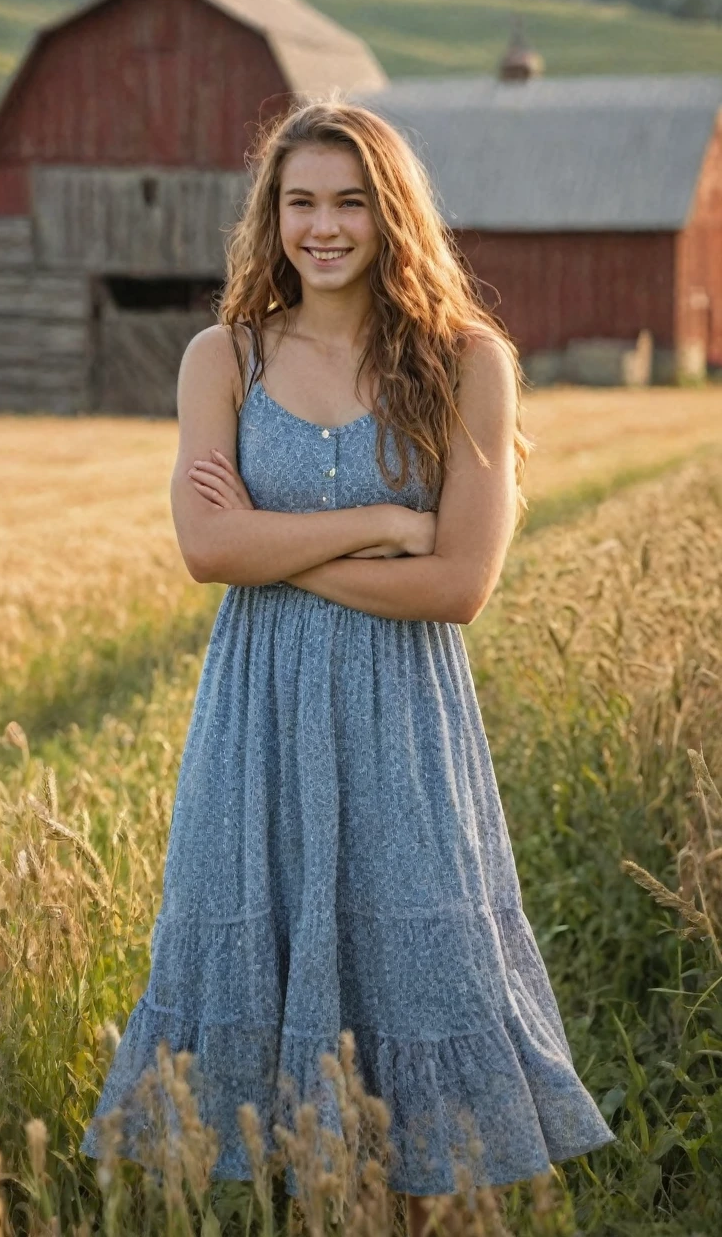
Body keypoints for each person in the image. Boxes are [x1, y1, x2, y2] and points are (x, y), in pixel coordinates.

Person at [80, 100, 615, 1233]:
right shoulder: (219, 357)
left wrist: (277, 556)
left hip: (406, 728)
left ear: (391, 212)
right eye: (300, 202)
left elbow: (458, 585)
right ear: (270, 217)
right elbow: (205, 550)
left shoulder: (468, 363)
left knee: (409, 1008)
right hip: (257, 723)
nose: (323, 227)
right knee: (277, 1033)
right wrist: (381, 519)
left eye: (350, 202)